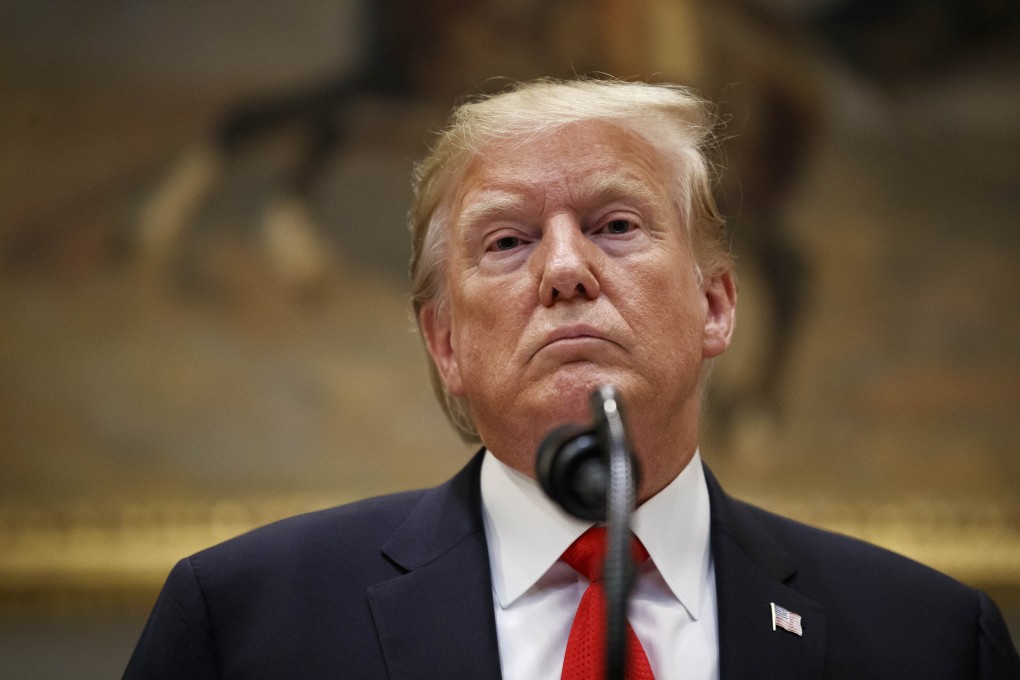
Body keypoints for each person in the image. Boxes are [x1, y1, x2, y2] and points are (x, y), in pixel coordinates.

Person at [123, 78, 1019, 679]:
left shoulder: (930, 642)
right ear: (444, 344)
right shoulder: (244, 626)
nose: (564, 269)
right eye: (507, 240)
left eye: (618, 225)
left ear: (715, 305)